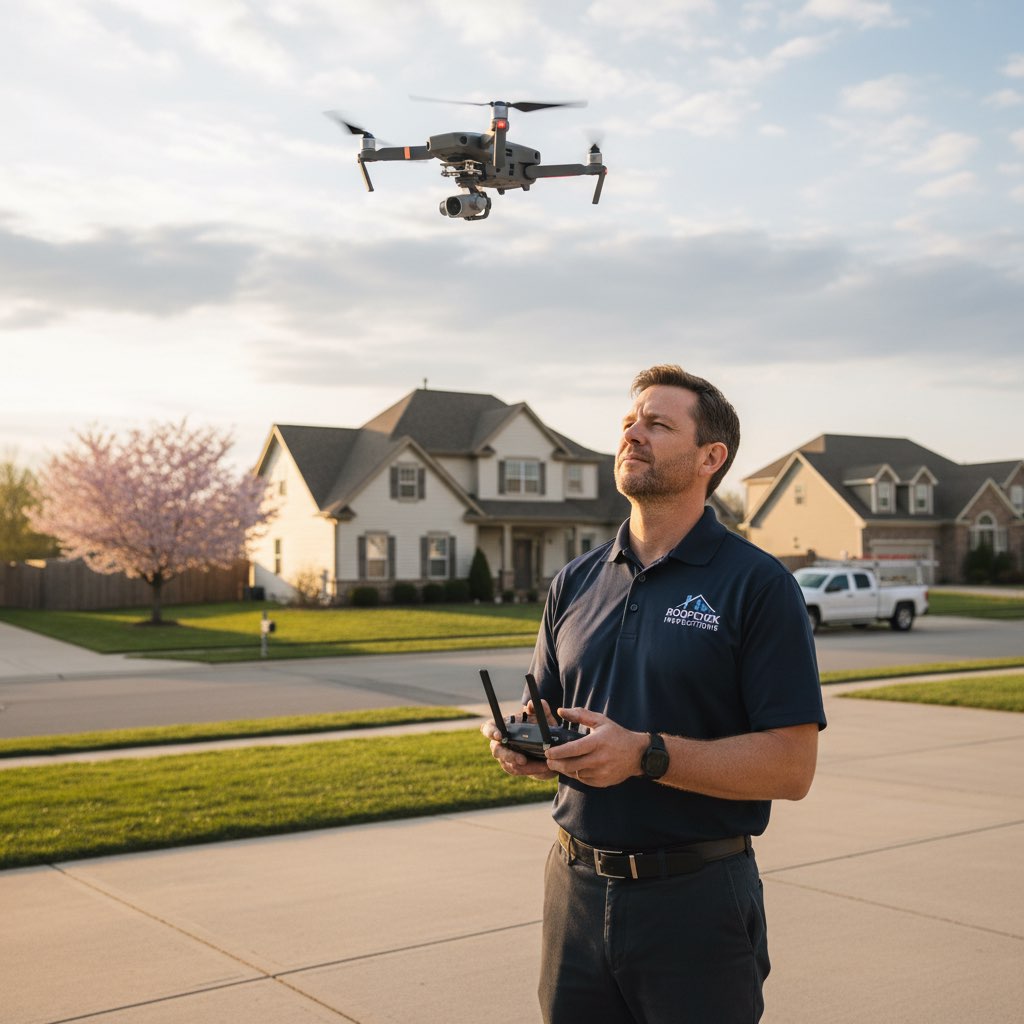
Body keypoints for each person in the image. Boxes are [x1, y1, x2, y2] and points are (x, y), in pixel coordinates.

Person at [483, 364, 826, 1023]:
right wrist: (528, 743)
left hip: (695, 901)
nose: (632, 433)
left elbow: (792, 766)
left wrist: (645, 753)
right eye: (628, 422)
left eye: (657, 423)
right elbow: (549, 713)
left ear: (710, 458)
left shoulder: (757, 585)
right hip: (574, 893)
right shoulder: (575, 581)